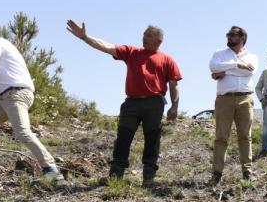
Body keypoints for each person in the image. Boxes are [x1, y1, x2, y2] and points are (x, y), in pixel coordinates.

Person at [66, 20, 181, 187]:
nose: (144, 38)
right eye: (143, 35)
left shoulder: (167, 60)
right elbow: (106, 47)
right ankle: (116, 176)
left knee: (152, 139)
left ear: (159, 41)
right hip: (131, 104)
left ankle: (149, 178)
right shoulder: (132, 52)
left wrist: (174, 106)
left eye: (149, 35)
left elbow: (173, 85)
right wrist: (85, 37)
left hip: (154, 103)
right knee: (123, 138)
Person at [0, 23, 63, 182]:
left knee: (22, 132)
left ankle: (52, 171)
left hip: (16, 95)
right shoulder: (4, 45)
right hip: (7, 98)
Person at [209, 26, 258, 183]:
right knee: (221, 136)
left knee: (245, 136)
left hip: (245, 99)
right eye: (228, 35)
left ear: (242, 37)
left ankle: (247, 172)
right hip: (224, 99)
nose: (229, 37)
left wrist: (225, 71)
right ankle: (217, 173)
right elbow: (213, 67)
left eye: (232, 35)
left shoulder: (251, 56)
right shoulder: (219, 53)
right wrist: (237, 65)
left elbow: (249, 72)